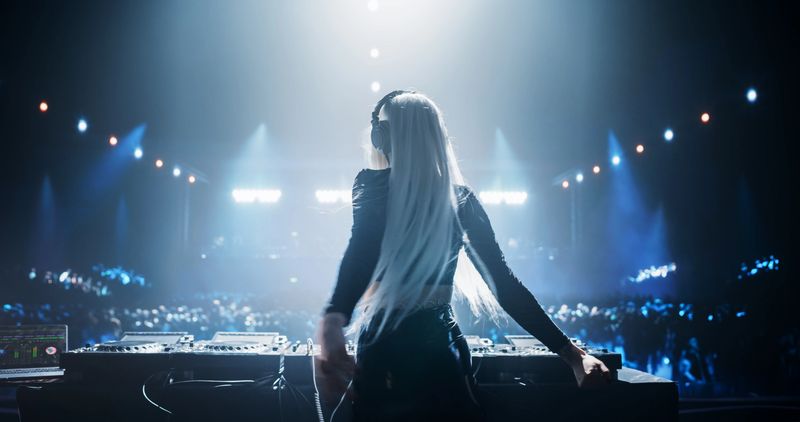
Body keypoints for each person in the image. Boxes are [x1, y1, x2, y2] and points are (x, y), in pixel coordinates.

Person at [316, 90, 610, 421]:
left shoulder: (370, 185)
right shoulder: (462, 200)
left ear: (382, 137)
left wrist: (334, 316)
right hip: (440, 348)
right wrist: (571, 354)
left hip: (383, 349)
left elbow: (363, 248)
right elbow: (504, 284)